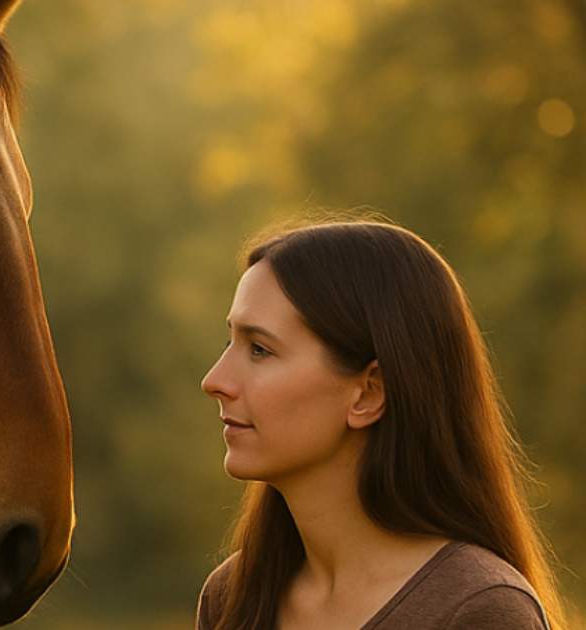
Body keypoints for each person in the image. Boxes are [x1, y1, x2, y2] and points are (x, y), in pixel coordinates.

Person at [196, 219, 566, 630]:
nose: (214, 381)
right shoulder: (231, 598)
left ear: (369, 393)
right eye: (229, 342)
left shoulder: (478, 611)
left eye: (260, 349)